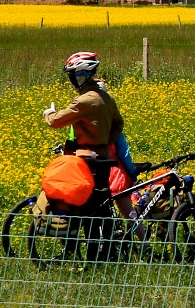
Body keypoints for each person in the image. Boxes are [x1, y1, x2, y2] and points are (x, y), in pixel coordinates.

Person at [44, 52, 132, 217]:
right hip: (103, 159)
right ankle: (104, 239)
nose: (71, 80)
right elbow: (118, 124)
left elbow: (56, 121)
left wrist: (49, 113)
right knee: (100, 204)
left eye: (72, 75)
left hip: (85, 161)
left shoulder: (85, 101)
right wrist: (106, 143)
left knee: (78, 202)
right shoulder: (106, 98)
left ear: (81, 75)